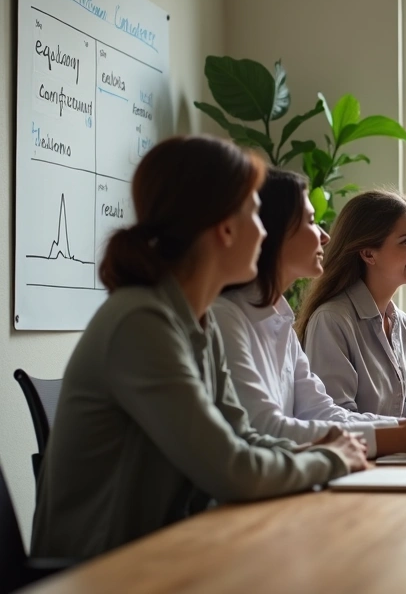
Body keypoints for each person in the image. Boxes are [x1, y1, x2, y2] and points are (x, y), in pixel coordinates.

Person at [32, 136, 367, 559]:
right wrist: (332, 459)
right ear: (225, 228)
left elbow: (243, 436)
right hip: (101, 572)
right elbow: (232, 469)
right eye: (256, 215)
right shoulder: (141, 322)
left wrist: (326, 450)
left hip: (164, 553)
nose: (264, 232)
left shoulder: (197, 321)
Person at [214, 170, 406, 457]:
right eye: (311, 222)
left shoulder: (280, 320)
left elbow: (323, 412)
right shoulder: (227, 318)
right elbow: (266, 428)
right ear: (271, 232)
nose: (324, 237)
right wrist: (402, 435)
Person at [297, 190, 406, 419]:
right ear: (368, 254)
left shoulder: (402, 324)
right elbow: (334, 418)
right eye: (405, 242)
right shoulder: (331, 320)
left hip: (394, 454)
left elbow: (397, 410)